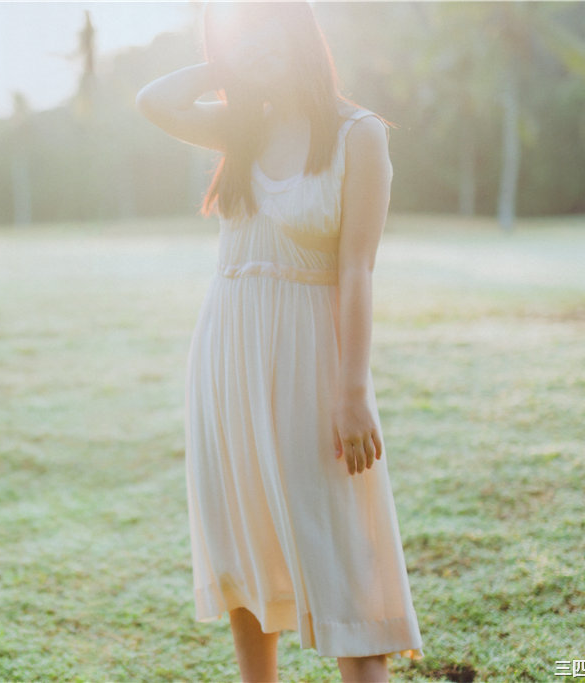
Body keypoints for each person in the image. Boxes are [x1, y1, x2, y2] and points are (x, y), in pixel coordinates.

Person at [136, 3, 424, 682]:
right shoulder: (240, 128)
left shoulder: (359, 135)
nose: (258, 44)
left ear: (299, 32)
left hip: (312, 363)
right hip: (225, 353)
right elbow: (152, 100)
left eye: (269, 26)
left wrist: (353, 394)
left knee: (343, 553)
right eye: (244, 33)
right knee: (238, 536)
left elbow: (357, 270)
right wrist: (226, 65)